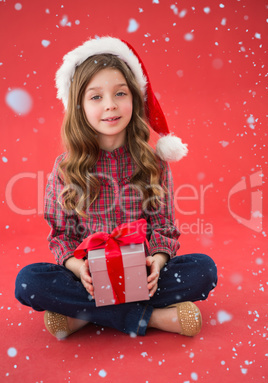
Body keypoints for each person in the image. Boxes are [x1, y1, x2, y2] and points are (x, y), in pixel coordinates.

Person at [15, 37, 217, 340]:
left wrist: (156, 263)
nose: (110, 104)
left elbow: (163, 227)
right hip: (89, 278)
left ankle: (84, 315)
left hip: (142, 273)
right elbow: (61, 235)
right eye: (96, 97)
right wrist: (79, 270)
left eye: (120, 93)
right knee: (29, 282)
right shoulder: (65, 167)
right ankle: (152, 318)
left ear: (134, 99)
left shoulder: (154, 163)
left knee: (204, 270)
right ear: (79, 106)